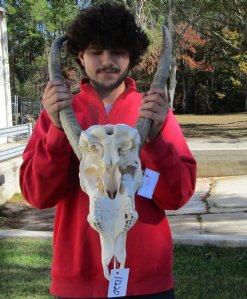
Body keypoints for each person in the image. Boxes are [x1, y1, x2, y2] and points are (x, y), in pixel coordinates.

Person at [20, 3, 196, 299]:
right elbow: (38, 195)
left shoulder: (154, 112)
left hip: (147, 282)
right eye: (95, 52)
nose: (107, 61)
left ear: (131, 56)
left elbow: (175, 196)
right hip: (77, 282)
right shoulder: (58, 113)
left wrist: (156, 143)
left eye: (117, 51)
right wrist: (55, 131)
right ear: (80, 56)